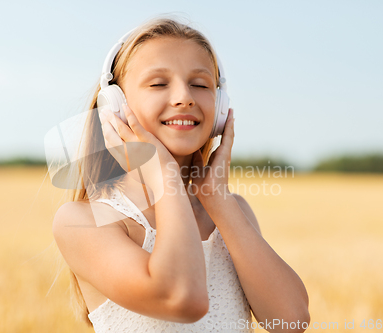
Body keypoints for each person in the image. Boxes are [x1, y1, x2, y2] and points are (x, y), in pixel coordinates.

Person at [52, 17, 310, 332]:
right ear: (115, 105)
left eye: (200, 85)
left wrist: (220, 202)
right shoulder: (84, 220)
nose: (184, 97)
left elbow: (291, 321)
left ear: (219, 107)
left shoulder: (231, 211)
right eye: (159, 83)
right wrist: (164, 177)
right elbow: (182, 299)